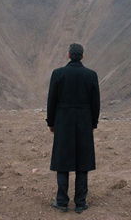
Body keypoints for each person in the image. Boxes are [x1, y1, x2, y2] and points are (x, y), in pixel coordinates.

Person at [45, 43, 100, 214]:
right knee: (82, 163)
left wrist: (51, 123)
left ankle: (61, 202)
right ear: (82, 56)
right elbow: (95, 103)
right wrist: (93, 123)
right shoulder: (91, 75)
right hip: (84, 122)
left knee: (62, 162)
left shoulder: (58, 74)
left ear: (68, 55)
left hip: (63, 122)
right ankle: (80, 203)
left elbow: (51, 100)